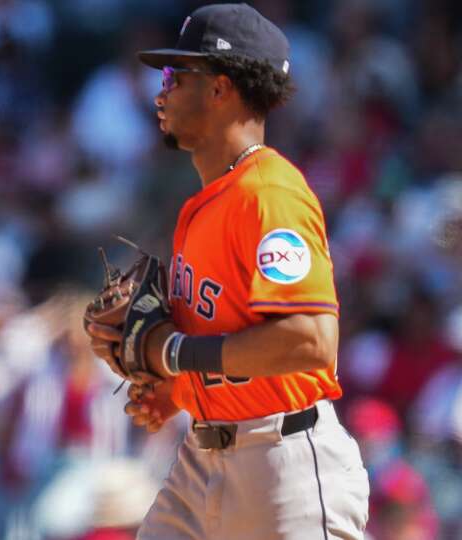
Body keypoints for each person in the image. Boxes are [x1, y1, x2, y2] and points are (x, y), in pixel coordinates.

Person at [84, 4, 369, 539]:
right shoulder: (206, 202)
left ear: (219, 89)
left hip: (284, 467)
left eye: (175, 76)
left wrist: (171, 353)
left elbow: (310, 340)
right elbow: (229, 337)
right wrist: (179, 389)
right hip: (203, 458)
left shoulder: (269, 193)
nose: (160, 92)